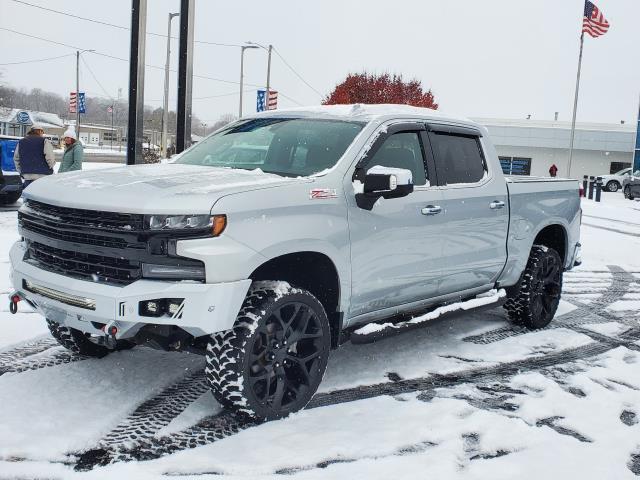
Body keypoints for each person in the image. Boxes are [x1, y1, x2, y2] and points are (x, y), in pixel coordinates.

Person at [13, 123, 55, 188]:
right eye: (42, 132)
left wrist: (21, 171)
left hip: (27, 176)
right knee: (40, 196)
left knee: (28, 197)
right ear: (40, 131)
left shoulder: (21, 142)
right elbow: (50, 157)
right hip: (42, 176)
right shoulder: (44, 141)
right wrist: (50, 167)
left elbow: (16, 158)